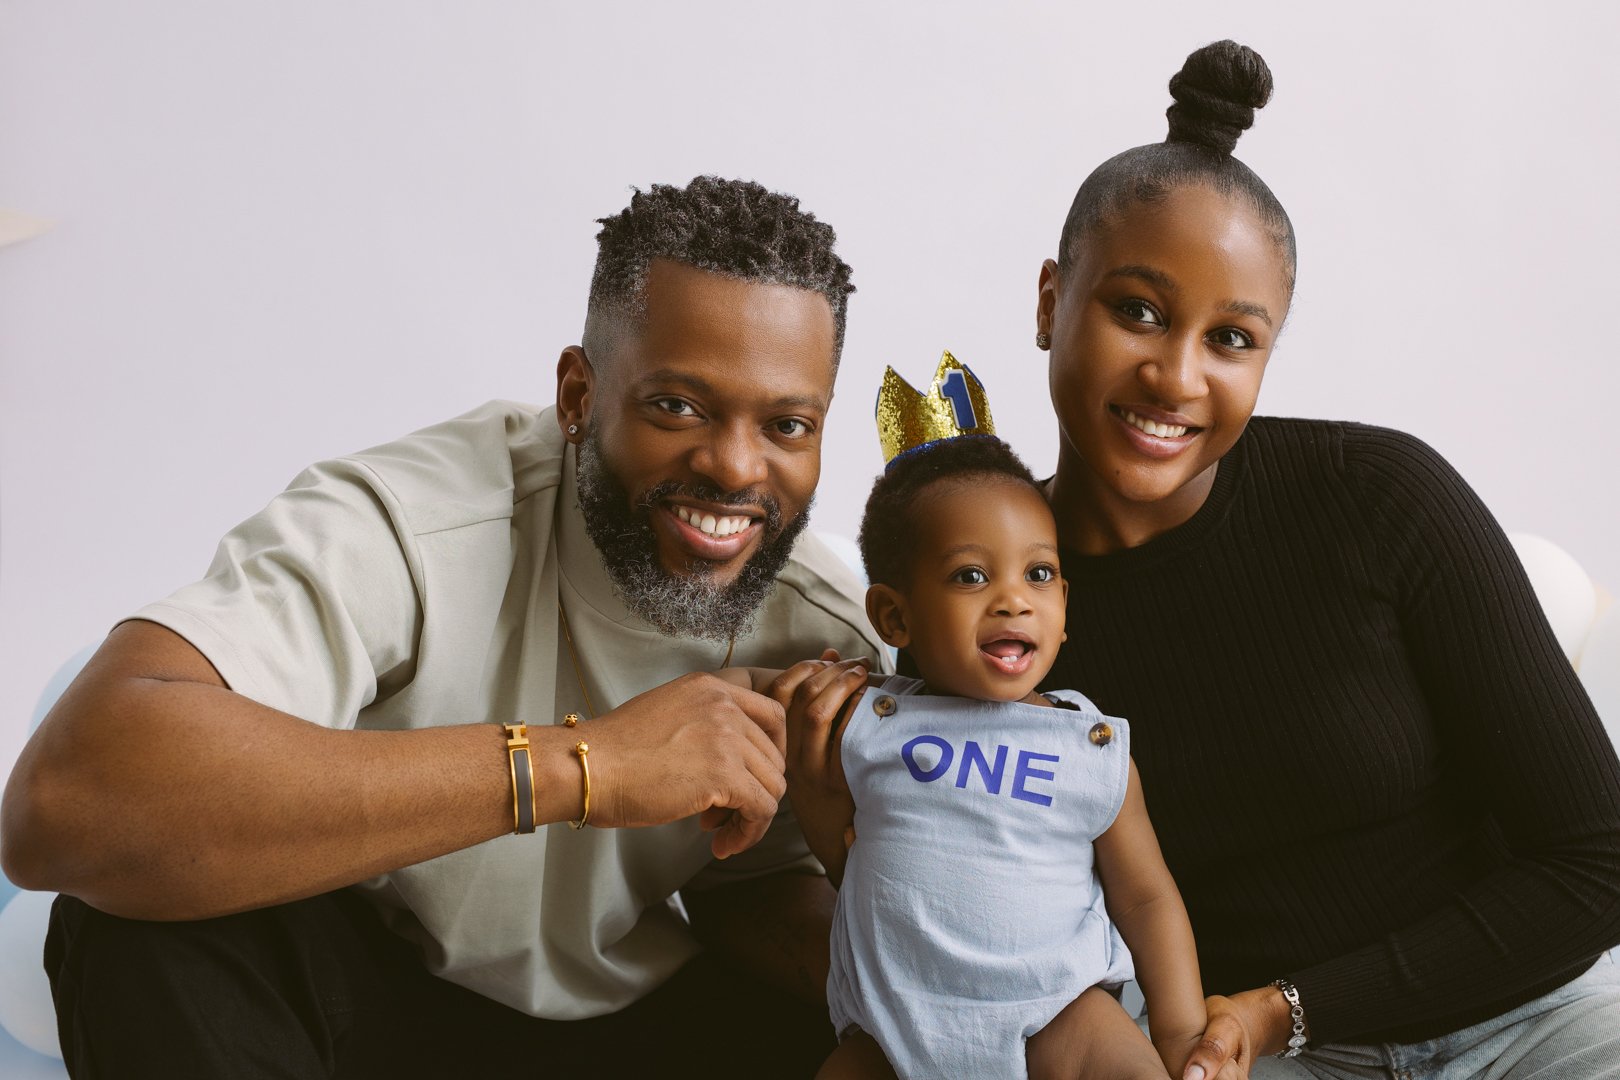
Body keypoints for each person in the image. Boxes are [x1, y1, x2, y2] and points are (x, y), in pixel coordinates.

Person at [0, 176, 886, 1078]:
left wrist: (930, 977)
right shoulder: (418, 522)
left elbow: (753, 892)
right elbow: (66, 800)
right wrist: (586, 763)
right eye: (678, 406)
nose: (736, 467)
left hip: (628, 1031)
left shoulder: (822, 629)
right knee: (131, 916)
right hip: (368, 1001)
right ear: (578, 395)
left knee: (878, 1032)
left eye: (787, 425)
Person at [1017, 39, 1620, 1080]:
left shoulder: (1378, 497)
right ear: (1049, 302)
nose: (1176, 376)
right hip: (1241, 1059)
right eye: (1139, 312)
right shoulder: (993, 598)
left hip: (1533, 1022)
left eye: (1232, 339)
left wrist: (1286, 1008)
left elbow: (1598, 863)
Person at [795, 424, 1207, 1080]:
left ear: (1063, 606)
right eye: (971, 575)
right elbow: (756, 704)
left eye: (1038, 573)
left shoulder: (1086, 745)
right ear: (894, 617)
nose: (1014, 599)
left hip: (1061, 1013)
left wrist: (1183, 1034)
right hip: (894, 1029)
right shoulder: (868, 717)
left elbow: (1148, 898)